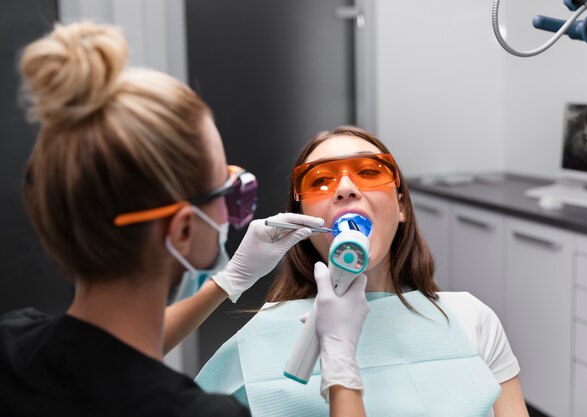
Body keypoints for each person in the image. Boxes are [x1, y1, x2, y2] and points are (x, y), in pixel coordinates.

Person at [0, 22, 368, 417]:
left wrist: (226, 282)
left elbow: (106, 362)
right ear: (184, 230)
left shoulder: (11, 342)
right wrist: (342, 369)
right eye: (230, 195)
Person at [195, 126, 531, 417]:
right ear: (303, 218)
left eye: (369, 172)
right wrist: (228, 281)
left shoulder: (471, 319)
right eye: (321, 181)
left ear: (401, 206)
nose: (345, 188)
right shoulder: (258, 339)